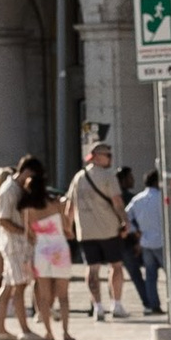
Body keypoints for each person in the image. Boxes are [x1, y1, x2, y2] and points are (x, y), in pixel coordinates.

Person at [66, 133, 134, 320]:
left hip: (85, 232)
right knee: (116, 266)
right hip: (109, 229)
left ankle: (98, 307)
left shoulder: (78, 177)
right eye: (107, 155)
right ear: (96, 156)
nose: (110, 158)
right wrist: (125, 222)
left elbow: (69, 206)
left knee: (92, 268)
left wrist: (69, 227)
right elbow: (118, 202)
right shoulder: (108, 176)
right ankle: (117, 305)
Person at [17, 157, 74, 340]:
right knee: (63, 295)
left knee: (43, 295)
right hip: (60, 249)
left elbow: (28, 234)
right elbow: (67, 229)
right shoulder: (56, 204)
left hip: (41, 250)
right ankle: (65, 332)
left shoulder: (28, 209)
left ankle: (49, 332)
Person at [0, 161, 36, 340]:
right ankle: (21, 328)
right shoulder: (8, 191)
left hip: (12, 243)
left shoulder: (12, 190)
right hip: (12, 244)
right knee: (15, 284)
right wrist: (25, 232)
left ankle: (1, 328)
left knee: (9, 283)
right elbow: (3, 219)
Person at [123, 165, 165, 316]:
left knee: (150, 276)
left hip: (145, 242)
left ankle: (153, 305)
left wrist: (137, 232)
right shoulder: (162, 198)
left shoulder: (137, 199)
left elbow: (126, 217)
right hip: (162, 241)